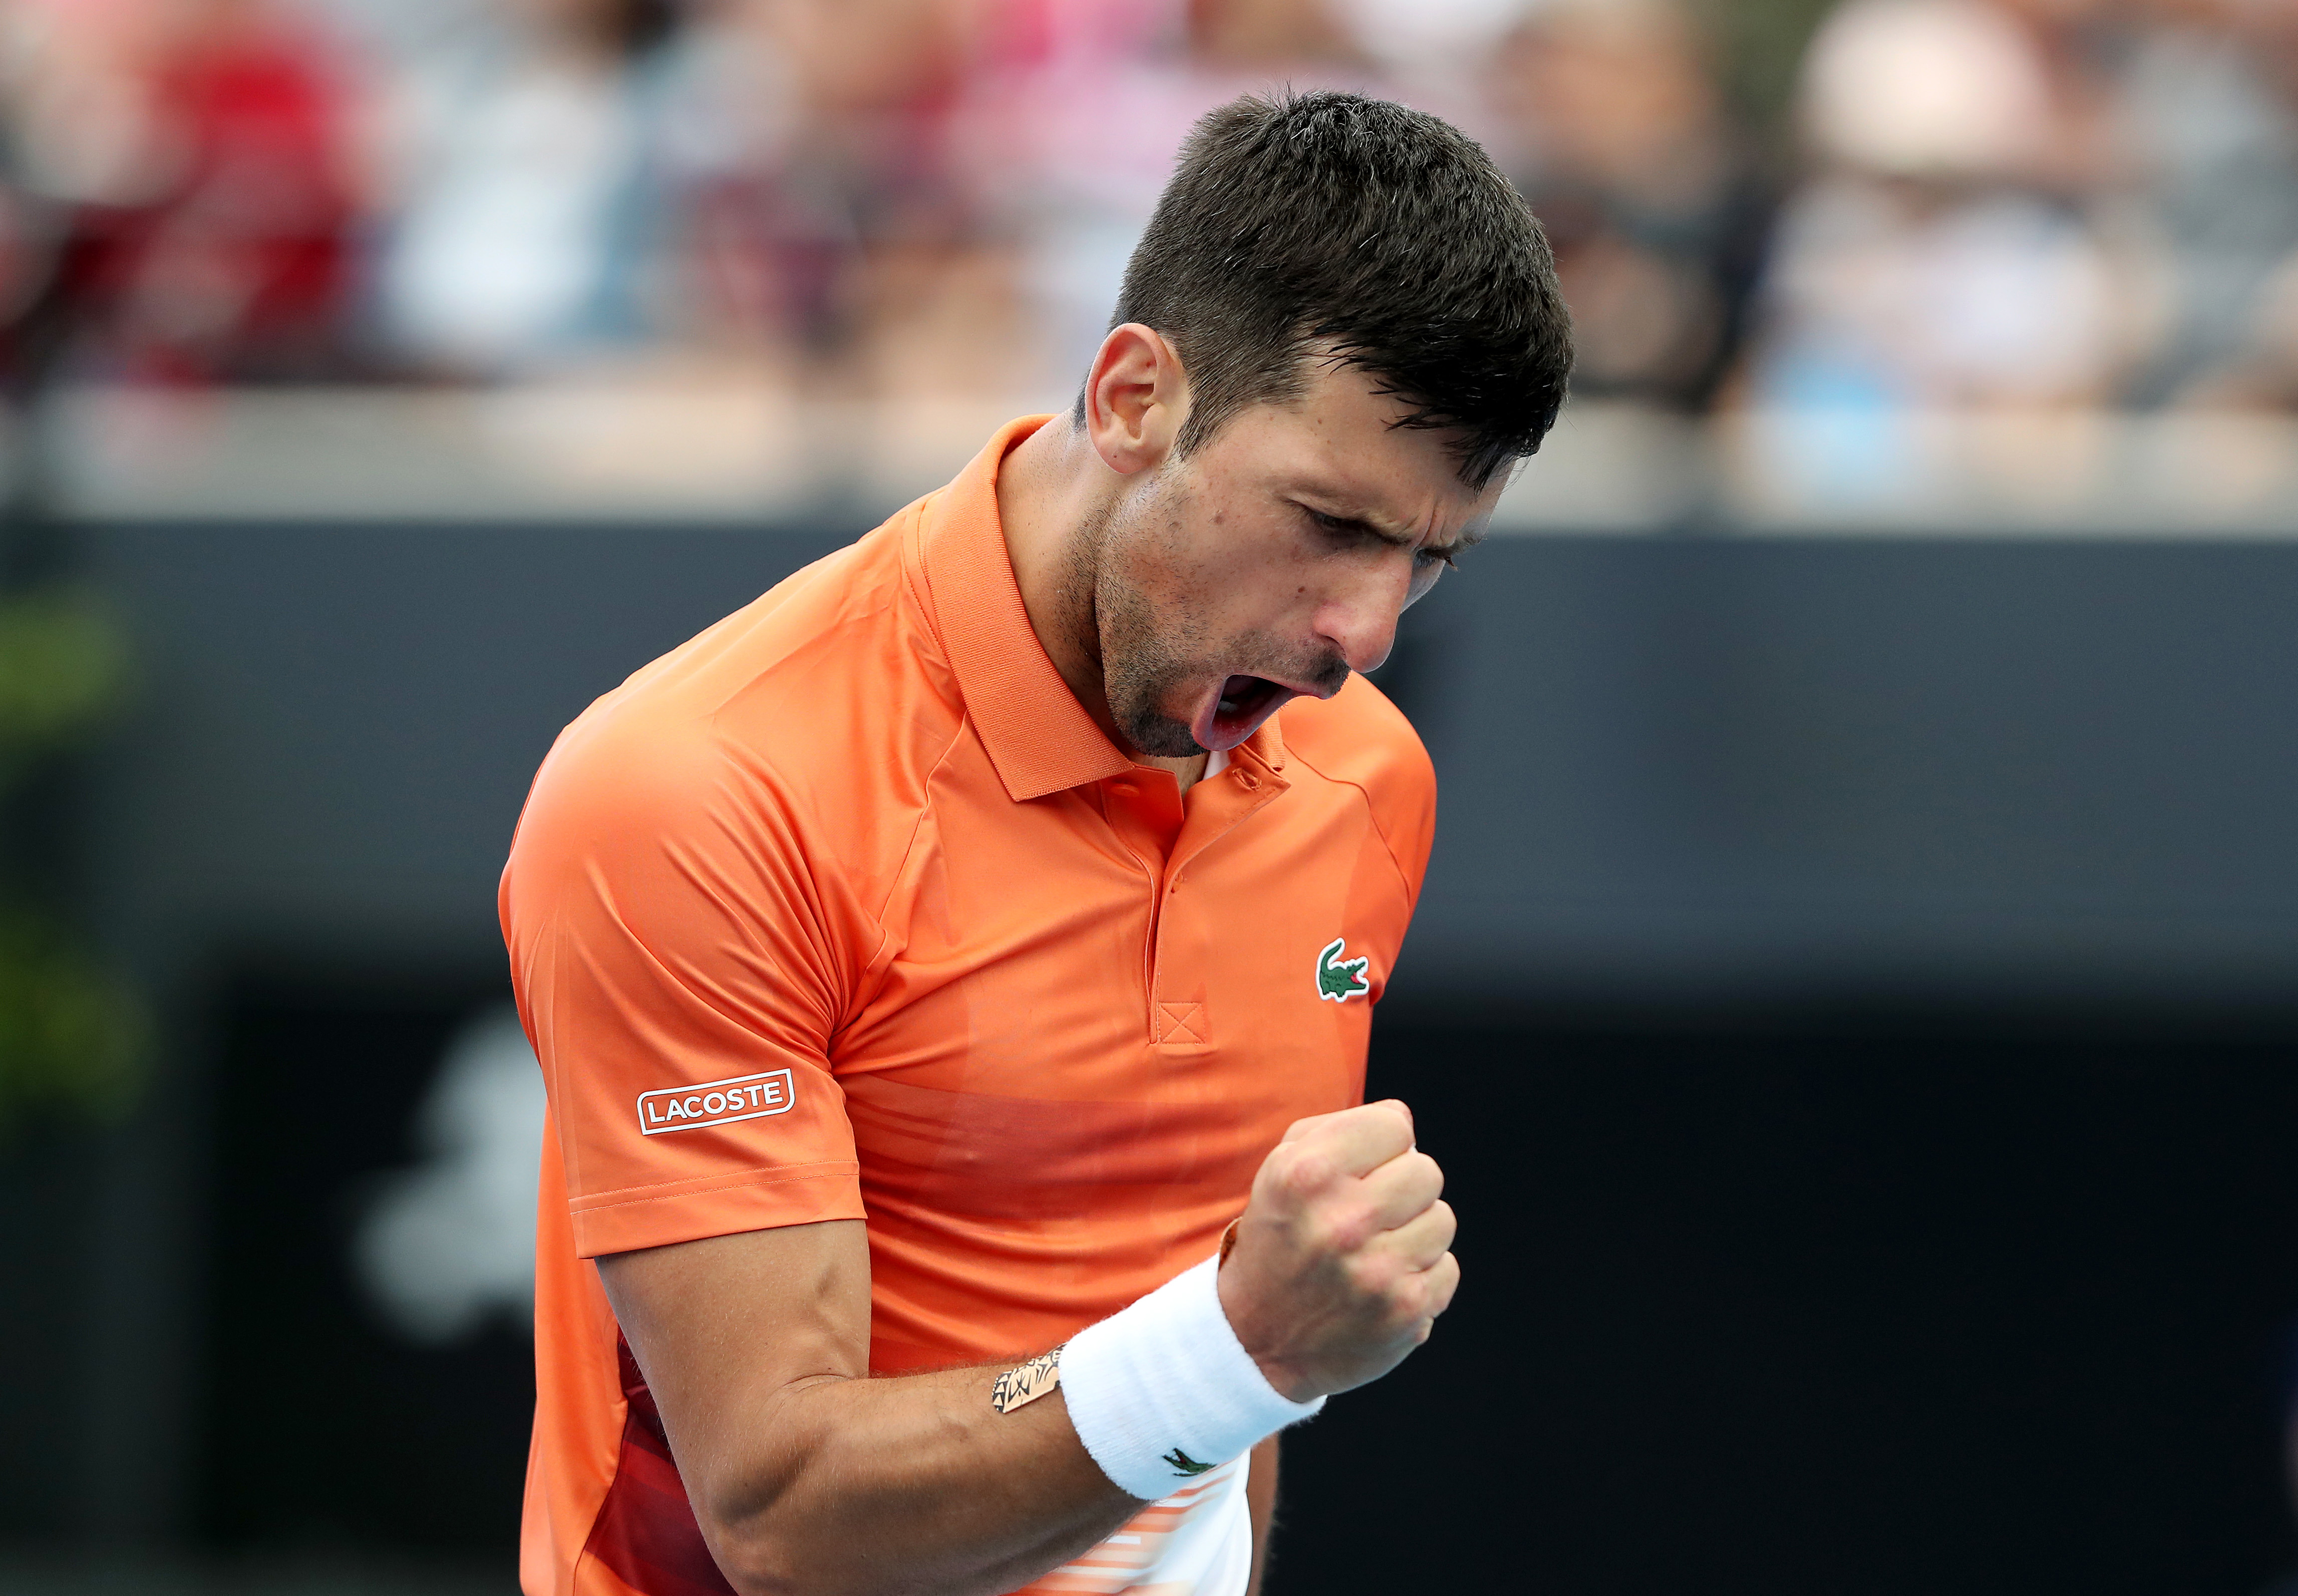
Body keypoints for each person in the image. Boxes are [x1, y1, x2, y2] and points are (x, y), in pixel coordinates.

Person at [499, 89, 1571, 1596]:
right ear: (1134, 398)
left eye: (1429, 557)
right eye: (1330, 522)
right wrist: (1240, 1348)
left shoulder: (1362, 775)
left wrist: (1240, 1363)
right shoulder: (695, 791)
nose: (1369, 634)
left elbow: (1222, 1357)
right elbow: (783, 1512)